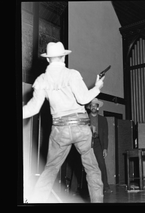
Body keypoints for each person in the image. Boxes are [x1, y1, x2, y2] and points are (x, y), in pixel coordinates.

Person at [23, 42, 105, 203]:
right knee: (92, 168)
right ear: (63, 57)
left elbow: (32, 109)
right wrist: (97, 87)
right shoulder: (72, 74)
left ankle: (36, 202)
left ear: (48, 60)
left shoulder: (42, 80)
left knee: (50, 169)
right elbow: (83, 98)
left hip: (59, 130)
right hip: (81, 128)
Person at [87, 98, 112, 193]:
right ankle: (84, 189)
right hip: (87, 144)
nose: (93, 107)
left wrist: (105, 148)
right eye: (92, 105)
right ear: (90, 107)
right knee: (87, 165)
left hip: (98, 143)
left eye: (95, 106)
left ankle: (106, 187)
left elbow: (105, 135)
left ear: (97, 108)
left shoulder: (102, 119)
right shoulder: (85, 118)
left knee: (101, 164)